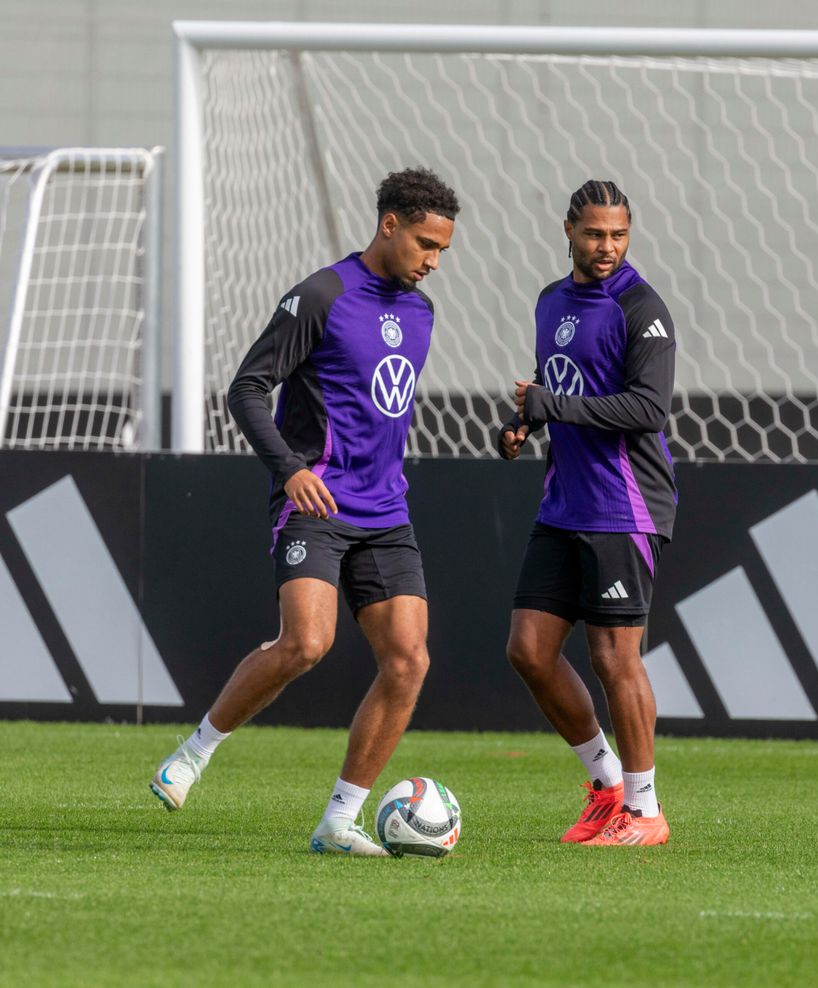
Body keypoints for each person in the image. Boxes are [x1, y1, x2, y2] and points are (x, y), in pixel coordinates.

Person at [150, 167, 459, 857]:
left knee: (409, 661)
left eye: (443, 249)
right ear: (390, 226)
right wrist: (289, 471)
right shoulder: (321, 295)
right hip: (316, 497)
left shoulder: (421, 312)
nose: (434, 262)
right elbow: (247, 390)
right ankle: (195, 753)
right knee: (306, 645)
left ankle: (338, 823)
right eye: (426, 245)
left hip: (385, 511)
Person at [499, 179, 677, 847]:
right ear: (568, 229)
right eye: (595, 233)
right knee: (529, 649)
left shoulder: (642, 307)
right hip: (564, 501)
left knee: (613, 656)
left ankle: (645, 810)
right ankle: (605, 786)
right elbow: (562, 394)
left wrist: (552, 407)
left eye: (618, 235)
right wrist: (525, 426)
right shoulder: (550, 300)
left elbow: (647, 410)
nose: (606, 247)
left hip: (623, 504)